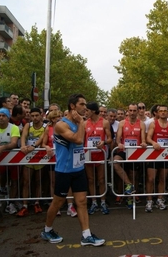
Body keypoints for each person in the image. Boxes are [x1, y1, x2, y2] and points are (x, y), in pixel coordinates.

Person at [41, 94, 105, 246]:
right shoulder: (61, 125)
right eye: (82, 104)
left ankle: (86, 235)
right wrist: (82, 123)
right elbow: (77, 139)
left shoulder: (80, 122)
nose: (85, 107)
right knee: (57, 202)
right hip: (64, 170)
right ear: (72, 106)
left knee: (82, 202)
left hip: (78, 168)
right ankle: (47, 230)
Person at [145, 105, 168, 212]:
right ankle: (149, 200)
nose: (163, 113)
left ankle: (159, 199)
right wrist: (153, 142)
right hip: (154, 155)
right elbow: (148, 138)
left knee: (163, 179)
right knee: (151, 179)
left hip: (165, 156)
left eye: (165, 111)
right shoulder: (153, 124)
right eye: (161, 111)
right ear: (157, 113)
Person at [114, 103, 147, 209]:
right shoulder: (122, 123)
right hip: (124, 150)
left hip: (135, 152)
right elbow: (118, 138)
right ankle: (129, 185)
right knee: (116, 162)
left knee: (133, 175)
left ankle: (131, 197)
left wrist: (143, 143)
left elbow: (143, 139)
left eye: (134, 110)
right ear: (127, 111)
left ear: (137, 111)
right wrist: (119, 143)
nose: (132, 113)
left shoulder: (141, 124)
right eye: (130, 110)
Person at [16, 107, 47, 217]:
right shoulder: (28, 125)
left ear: (41, 115)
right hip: (28, 156)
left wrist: (34, 146)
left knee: (38, 181)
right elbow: (23, 136)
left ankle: (37, 203)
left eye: (36, 115)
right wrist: (23, 146)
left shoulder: (45, 126)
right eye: (32, 116)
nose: (34, 118)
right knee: (26, 181)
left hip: (40, 157)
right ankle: (25, 205)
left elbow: (42, 138)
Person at [85, 102, 112, 215]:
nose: (85, 112)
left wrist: (104, 142)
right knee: (91, 179)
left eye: (87, 110)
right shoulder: (84, 123)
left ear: (93, 111)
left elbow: (110, 139)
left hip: (100, 153)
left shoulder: (104, 122)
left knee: (101, 179)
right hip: (88, 153)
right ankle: (94, 202)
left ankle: (103, 201)